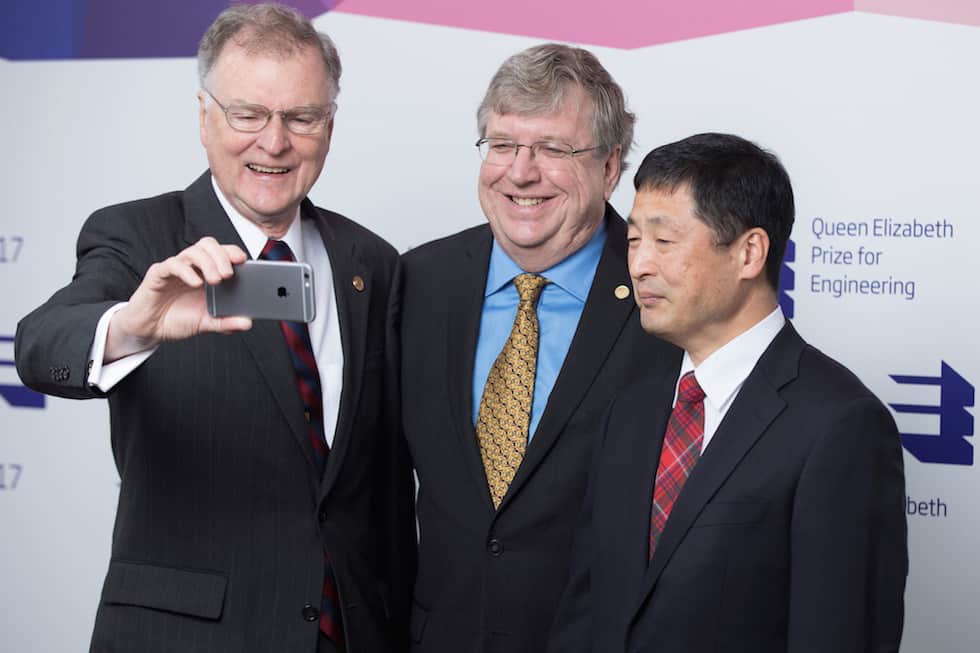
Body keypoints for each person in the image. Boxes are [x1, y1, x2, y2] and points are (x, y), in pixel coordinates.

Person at [15, 4, 414, 652]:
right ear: (205, 117)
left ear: (330, 125)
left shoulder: (371, 262)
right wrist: (132, 325)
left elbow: (383, 491)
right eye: (248, 114)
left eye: (301, 117)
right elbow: (40, 343)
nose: (275, 141)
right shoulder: (139, 235)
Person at [549, 132, 908, 653]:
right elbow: (584, 613)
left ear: (749, 253)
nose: (640, 264)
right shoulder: (630, 411)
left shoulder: (840, 426)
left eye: (664, 241)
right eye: (633, 241)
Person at [398, 43, 678, 653]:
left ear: (609, 168)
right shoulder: (419, 281)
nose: (520, 172)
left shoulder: (669, 299)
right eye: (502, 145)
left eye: (553, 149)